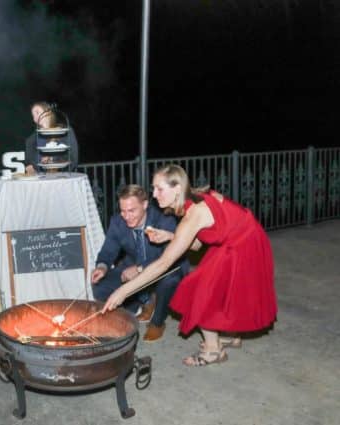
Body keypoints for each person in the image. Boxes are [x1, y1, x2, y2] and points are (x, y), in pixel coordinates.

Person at [103, 164, 277, 366]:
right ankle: (231, 335)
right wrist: (170, 236)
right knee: (223, 288)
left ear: (177, 188)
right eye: (153, 188)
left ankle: (213, 351)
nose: (154, 194)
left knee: (197, 290)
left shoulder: (193, 215)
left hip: (244, 244)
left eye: (159, 189)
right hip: (239, 238)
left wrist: (123, 292)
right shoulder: (193, 198)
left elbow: (163, 264)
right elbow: (197, 244)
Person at [91, 184, 189, 341]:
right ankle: (144, 302)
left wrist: (140, 269)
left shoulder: (163, 218)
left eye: (131, 211)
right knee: (99, 284)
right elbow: (108, 251)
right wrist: (101, 267)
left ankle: (157, 322)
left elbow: (168, 256)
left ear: (144, 205)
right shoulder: (117, 222)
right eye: (123, 211)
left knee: (170, 280)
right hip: (131, 269)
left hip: (166, 267)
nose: (126, 216)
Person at [24, 101, 79, 174]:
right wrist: (30, 167)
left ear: (48, 113)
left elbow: (73, 159)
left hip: (62, 178)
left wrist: (52, 159)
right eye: (33, 115)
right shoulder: (31, 140)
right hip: (41, 180)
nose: (35, 118)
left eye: (37, 113)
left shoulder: (64, 132)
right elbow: (29, 162)